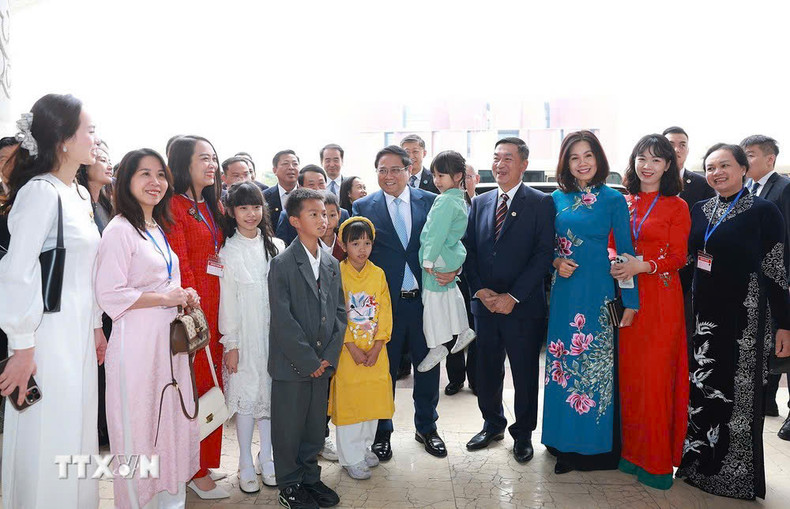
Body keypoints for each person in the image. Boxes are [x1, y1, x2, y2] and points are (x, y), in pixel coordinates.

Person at [0, 93, 105, 509]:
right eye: (89, 131)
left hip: (78, 335)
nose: (95, 139)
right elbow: (16, 272)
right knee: (49, 434)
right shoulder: (40, 193)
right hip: (46, 337)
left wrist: (95, 326)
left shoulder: (77, 194)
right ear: (63, 140)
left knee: (76, 430)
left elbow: (87, 271)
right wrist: (21, 347)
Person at [676, 143, 790, 501]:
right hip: (703, 319)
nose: (717, 173)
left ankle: (734, 476)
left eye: (725, 165)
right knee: (702, 389)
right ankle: (697, 464)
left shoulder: (764, 211)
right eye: (710, 167)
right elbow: (688, 262)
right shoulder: (699, 209)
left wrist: (785, 324)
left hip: (744, 320)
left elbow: (776, 270)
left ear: (743, 168)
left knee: (736, 397)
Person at [95, 148, 200, 509]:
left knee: (167, 421)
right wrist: (165, 297)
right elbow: (110, 293)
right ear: (126, 180)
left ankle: (169, 500)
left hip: (166, 343)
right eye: (145, 174)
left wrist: (182, 295)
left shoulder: (155, 227)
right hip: (137, 345)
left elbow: (161, 279)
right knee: (139, 426)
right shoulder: (119, 230)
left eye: (160, 174)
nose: (155, 182)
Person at [541, 130, 639, 474]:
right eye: (574, 157)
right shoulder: (556, 198)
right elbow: (545, 246)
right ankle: (560, 442)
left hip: (599, 293)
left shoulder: (614, 199)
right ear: (565, 163)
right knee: (561, 364)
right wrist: (556, 261)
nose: (582, 163)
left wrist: (631, 301)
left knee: (594, 367)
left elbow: (626, 252)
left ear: (598, 159)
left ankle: (593, 449)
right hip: (565, 291)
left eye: (588, 156)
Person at [353, 145, 449, 459]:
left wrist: (453, 268)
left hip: (425, 301)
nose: (389, 175)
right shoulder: (362, 206)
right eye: (382, 170)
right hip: (384, 306)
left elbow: (449, 243)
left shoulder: (431, 202)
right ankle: (382, 432)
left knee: (428, 365)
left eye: (396, 169)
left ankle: (427, 427)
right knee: (384, 370)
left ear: (409, 171)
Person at [463, 137, 554, 463]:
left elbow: (544, 254)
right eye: (496, 158)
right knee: (487, 369)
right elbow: (469, 249)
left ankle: (523, 434)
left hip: (523, 306)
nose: (500, 165)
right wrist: (479, 290)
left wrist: (513, 296)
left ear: (524, 164)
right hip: (485, 305)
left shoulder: (541, 203)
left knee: (525, 372)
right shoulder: (480, 202)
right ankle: (492, 424)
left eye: (508, 159)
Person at [610, 134, 690, 489]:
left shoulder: (677, 206)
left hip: (661, 299)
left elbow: (679, 257)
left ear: (668, 165)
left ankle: (656, 463)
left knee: (656, 380)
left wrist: (643, 266)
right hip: (626, 294)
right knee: (631, 379)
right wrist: (614, 260)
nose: (647, 165)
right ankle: (631, 454)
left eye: (656, 159)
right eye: (642, 158)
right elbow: (610, 243)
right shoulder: (622, 201)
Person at [269, 187, 345, 509]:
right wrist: (308, 359)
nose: (322, 219)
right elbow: (282, 319)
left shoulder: (330, 262)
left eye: (324, 214)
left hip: (322, 364)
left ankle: (310, 477)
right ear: (295, 221)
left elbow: (339, 313)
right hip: (293, 364)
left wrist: (327, 357)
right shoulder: (283, 263)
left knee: (314, 426)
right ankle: (289, 484)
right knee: (289, 427)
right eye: (313, 214)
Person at [165, 135, 229, 499]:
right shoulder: (173, 205)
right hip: (196, 307)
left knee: (213, 384)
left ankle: (206, 460)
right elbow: (181, 261)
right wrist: (194, 308)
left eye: (213, 158)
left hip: (219, 303)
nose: (212, 165)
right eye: (204, 158)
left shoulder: (211, 203)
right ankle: (194, 469)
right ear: (183, 163)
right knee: (198, 385)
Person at [218, 181, 285, 493]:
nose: (250, 214)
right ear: (232, 211)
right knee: (246, 399)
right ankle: (244, 460)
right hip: (245, 338)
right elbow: (227, 302)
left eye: (256, 206)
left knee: (270, 399)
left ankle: (266, 457)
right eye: (243, 207)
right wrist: (231, 343)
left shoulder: (277, 246)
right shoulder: (227, 252)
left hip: (274, 338)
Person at [329, 217, 394, 480]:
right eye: (355, 243)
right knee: (350, 402)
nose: (362, 249)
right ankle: (350, 457)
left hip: (375, 351)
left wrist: (378, 345)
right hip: (348, 352)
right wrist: (352, 347)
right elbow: (335, 314)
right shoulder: (336, 272)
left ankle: (364, 446)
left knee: (372, 400)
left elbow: (385, 310)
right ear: (344, 246)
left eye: (367, 243)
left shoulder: (378, 274)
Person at [740, 135, 790, 426]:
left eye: (751, 154)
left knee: (782, 343)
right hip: (751, 284)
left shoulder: (783, 188)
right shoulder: (745, 188)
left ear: (770, 159)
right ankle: (766, 402)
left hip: (778, 281)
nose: (745, 160)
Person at [415, 151, 476, 373]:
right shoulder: (459, 199)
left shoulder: (444, 201)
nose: (436, 181)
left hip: (438, 255)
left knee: (431, 303)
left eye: (441, 175)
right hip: (450, 255)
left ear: (458, 176)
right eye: (434, 175)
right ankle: (463, 330)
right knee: (450, 295)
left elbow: (436, 233)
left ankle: (436, 345)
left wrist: (428, 259)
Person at [76, 139, 114, 448]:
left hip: (109, 300)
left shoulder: (108, 205)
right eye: (101, 158)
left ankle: (106, 425)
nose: (107, 163)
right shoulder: (79, 203)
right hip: (88, 302)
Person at [664, 126, 715, 357]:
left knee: (686, 325)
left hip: (689, 267)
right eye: (671, 144)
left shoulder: (702, 183)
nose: (677, 149)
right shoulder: (651, 180)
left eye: (682, 144)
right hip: (652, 266)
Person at [445, 162, 480, 396]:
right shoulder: (446, 204)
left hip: (477, 278)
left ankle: (476, 379)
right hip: (452, 277)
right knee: (454, 329)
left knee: (477, 330)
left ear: (476, 179)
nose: (463, 181)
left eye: (467, 176)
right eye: (459, 177)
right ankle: (455, 378)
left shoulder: (484, 204)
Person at [276, 165, 349, 246]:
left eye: (321, 183)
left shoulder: (342, 213)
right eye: (311, 184)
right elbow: (283, 246)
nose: (317, 188)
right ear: (300, 187)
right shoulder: (289, 215)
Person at [76, 140, 114, 234]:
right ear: (86, 167)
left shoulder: (107, 205)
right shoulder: (76, 202)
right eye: (103, 160)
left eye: (109, 162)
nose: (110, 167)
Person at [263, 149, 299, 229]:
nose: (291, 167)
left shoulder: (308, 196)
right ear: (275, 170)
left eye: (295, 164)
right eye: (285, 164)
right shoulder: (264, 197)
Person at [320, 192, 346, 262]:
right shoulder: (309, 246)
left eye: (332, 215)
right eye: (323, 215)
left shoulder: (345, 245)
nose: (327, 222)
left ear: (339, 215)